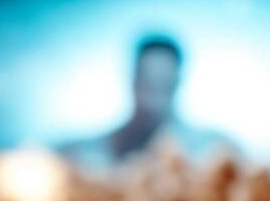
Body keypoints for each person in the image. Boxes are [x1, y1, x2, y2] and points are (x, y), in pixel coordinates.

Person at [62, 34, 233, 167]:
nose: (151, 101)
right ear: (133, 81)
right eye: (147, 83)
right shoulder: (87, 153)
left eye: (162, 84)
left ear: (177, 84)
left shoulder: (215, 149)